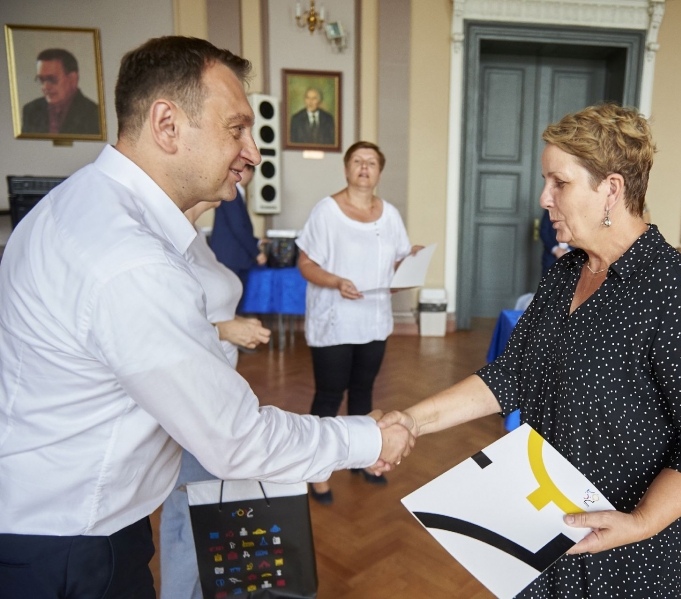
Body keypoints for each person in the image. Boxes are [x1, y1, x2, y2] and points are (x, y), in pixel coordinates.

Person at [0, 36, 410, 598]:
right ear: (167, 125)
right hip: (70, 541)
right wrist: (368, 438)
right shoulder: (129, 259)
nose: (253, 152)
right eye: (236, 128)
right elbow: (235, 440)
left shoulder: (88, 204)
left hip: (58, 511)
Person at [378, 104, 681, 597]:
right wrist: (412, 421)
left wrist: (640, 521)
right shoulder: (567, 272)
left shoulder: (675, 296)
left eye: (560, 183)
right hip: (544, 528)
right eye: (546, 182)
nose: (543, 198)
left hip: (624, 553)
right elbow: (511, 374)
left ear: (611, 189)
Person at [296, 141, 422, 505]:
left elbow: (396, 268)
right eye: (357, 161)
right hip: (334, 321)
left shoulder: (390, 215)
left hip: (374, 320)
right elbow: (305, 264)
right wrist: (336, 282)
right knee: (330, 394)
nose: (364, 167)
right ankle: (317, 471)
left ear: (380, 171)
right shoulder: (327, 211)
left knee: (364, 392)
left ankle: (363, 457)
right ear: (346, 168)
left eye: (371, 162)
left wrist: (412, 262)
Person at [159, 199, 271, 599]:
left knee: (203, 507)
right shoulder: (162, 234)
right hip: (192, 394)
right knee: (192, 508)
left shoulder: (194, 234)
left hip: (217, 388)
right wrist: (225, 330)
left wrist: (232, 325)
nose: (244, 169)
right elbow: (158, 324)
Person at [209, 162, 267, 296]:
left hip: (232, 258)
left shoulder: (237, 194)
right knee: (231, 302)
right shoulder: (231, 193)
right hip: (231, 260)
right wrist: (257, 253)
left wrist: (257, 241)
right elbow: (238, 228)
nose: (252, 177)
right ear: (245, 169)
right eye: (253, 172)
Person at [21, 48, 101, 135]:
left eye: (51, 79)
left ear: (73, 79)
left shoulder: (95, 114)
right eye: (41, 80)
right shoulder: (31, 111)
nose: (45, 87)